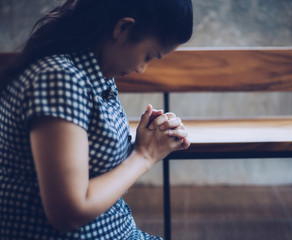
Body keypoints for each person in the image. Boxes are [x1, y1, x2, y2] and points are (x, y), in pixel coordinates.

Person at [0, 0, 193, 239]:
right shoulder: (59, 78)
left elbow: (93, 164)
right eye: (148, 55)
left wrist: (147, 140)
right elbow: (68, 211)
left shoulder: (91, 72)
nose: (142, 68)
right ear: (123, 28)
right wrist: (144, 155)